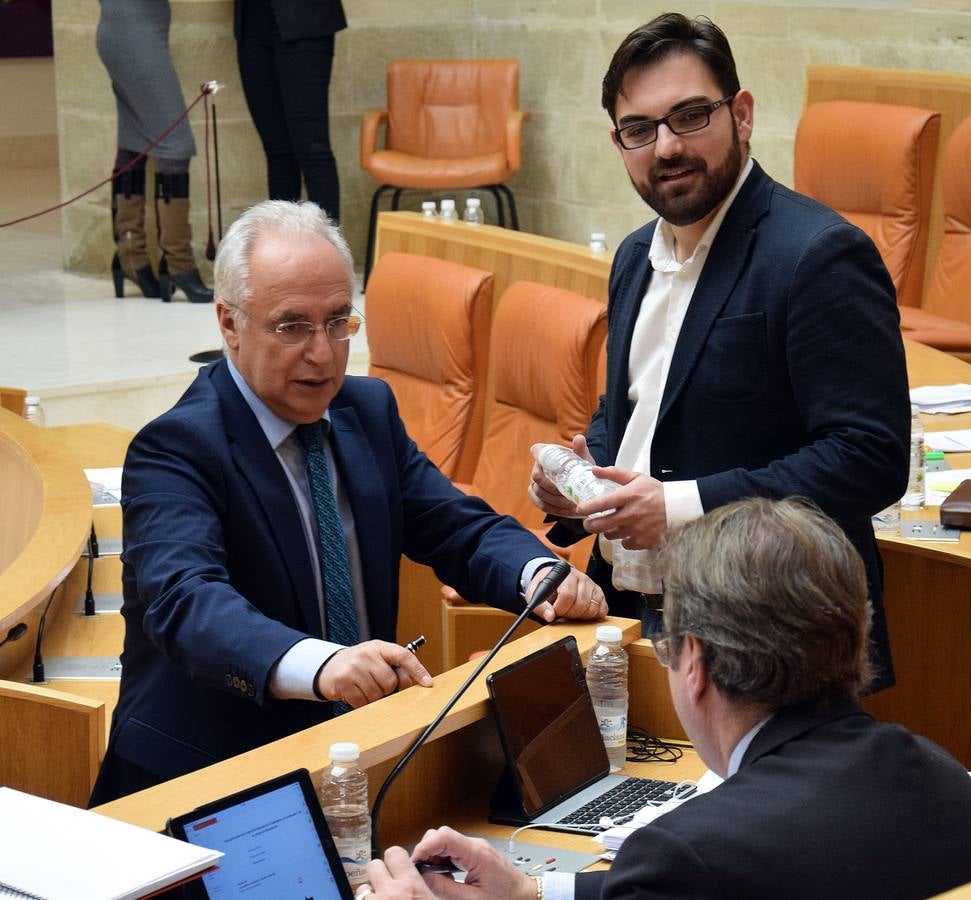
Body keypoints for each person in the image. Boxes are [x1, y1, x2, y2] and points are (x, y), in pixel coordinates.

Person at [88, 200, 605, 805]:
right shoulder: (177, 446)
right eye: (292, 326)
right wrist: (318, 665)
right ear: (229, 323)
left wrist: (537, 573)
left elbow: (454, 526)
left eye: (338, 321)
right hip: (209, 785)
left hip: (355, 760)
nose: (323, 352)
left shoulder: (368, 411)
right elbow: (187, 601)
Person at [363, 498, 971, 900]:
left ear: (695, 662)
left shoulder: (693, 854)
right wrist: (533, 891)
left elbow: (699, 878)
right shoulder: (942, 777)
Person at [529, 13, 910, 689]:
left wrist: (678, 505)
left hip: (767, 632)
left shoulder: (817, 254)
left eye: (690, 116)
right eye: (640, 130)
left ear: (742, 114)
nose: (666, 147)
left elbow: (869, 459)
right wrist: (586, 479)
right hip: (627, 613)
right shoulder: (632, 257)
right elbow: (640, 407)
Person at [96, 0, 213, 303]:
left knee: (134, 140)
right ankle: (179, 263)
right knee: (176, 144)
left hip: (129, 29)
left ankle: (130, 256)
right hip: (134, 33)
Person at [234, 0, 344, 222]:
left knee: (312, 149)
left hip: (305, 20)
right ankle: (282, 248)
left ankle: (329, 250)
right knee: (278, 151)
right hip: (252, 23)